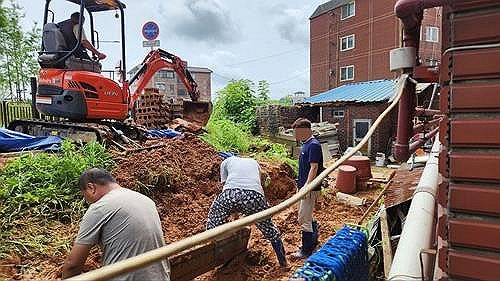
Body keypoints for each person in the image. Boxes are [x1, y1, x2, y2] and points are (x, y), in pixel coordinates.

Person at [62, 168, 170, 280]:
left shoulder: (100, 207)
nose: (88, 202)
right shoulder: (146, 200)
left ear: (91, 187)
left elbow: (73, 265)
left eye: (86, 197)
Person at [206, 156, 288, 267]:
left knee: (213, 221)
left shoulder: (225, 163)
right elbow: (257, 184)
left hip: (230, 194)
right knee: (269, 228)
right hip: (254, 196)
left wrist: (233, 214)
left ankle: (212, 253)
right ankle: (283, 262)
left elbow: (226, 187)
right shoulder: (254, 163)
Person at [291, 118, 324, 259]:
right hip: (304, 186)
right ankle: (312, 241)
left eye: (297, 132)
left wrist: (306, 187)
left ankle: (306, 250)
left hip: (309, 188)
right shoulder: (306, 144)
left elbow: (314, 167)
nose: (295, 135)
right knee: (307, 217)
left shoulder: (313, 145)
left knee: (303, 219)